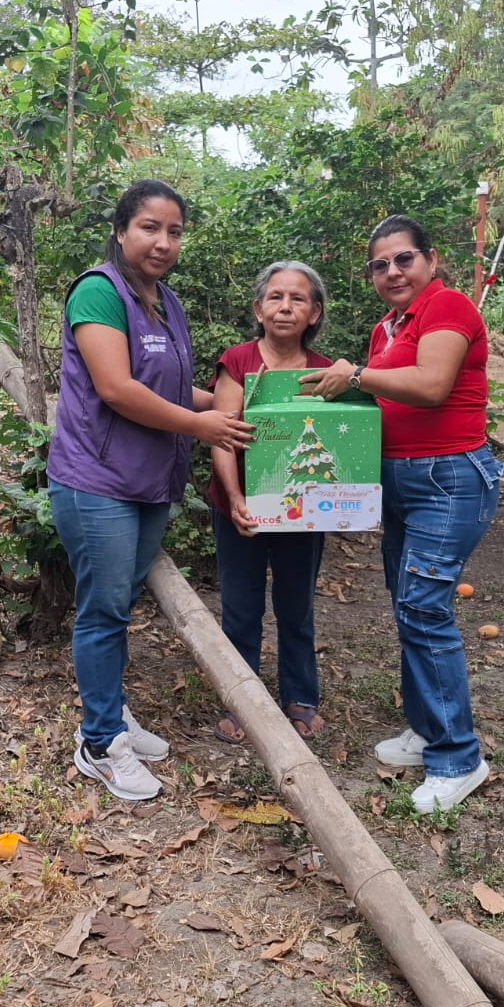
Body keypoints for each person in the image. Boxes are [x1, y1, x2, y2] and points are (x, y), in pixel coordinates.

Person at [47, 179, 254, 802]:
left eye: (175, 231)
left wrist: (228, 407)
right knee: (104, 609)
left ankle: (111, 712)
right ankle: (99, 741)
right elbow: (117, 388)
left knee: (121, 604)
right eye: (149, 228)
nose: (163, 242)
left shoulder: (166, 301)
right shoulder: (99, 292)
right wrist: (201, 425)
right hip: (98, 481)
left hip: (149, 482)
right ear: (120, 231)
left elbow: (166, 387)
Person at [301, 214, 502, 814]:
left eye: (403, 259)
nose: (392, 271)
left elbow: (432, 384)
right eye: (379, 264)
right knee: (409, 604)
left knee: (423, 607)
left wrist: (357, 375)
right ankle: (427, 727)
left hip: (449, 478)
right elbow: (379, 400)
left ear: (430, 260)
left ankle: (458, 757)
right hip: (402, 479)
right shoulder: (387, 326)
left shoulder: (448, 306)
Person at [208, 261, 333, 744]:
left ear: (314, 312)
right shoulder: (238, 361)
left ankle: (300, 694)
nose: (285, 307)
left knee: (296, 605)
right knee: (240, 606)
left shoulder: (326, 372)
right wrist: (235, 497)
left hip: (301, 515)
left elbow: (335, 446)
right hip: (239, 509)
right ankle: (243, 701)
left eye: (298, 299)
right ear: (259, 309)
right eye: (276, 297)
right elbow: (222, 436)